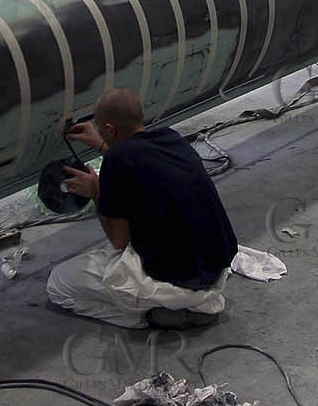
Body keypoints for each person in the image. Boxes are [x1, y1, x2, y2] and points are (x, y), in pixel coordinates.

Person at [47, 88, 238, 330]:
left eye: (100, 127)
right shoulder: (170, 138)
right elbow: (136, 161)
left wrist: (97, 190)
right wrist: (100, 143)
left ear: (111, 129)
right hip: (214, 266)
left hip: (178, 279)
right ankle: (185, 304)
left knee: (59, 283)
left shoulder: (116, 162)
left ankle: (148, 316)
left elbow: (118, 240)